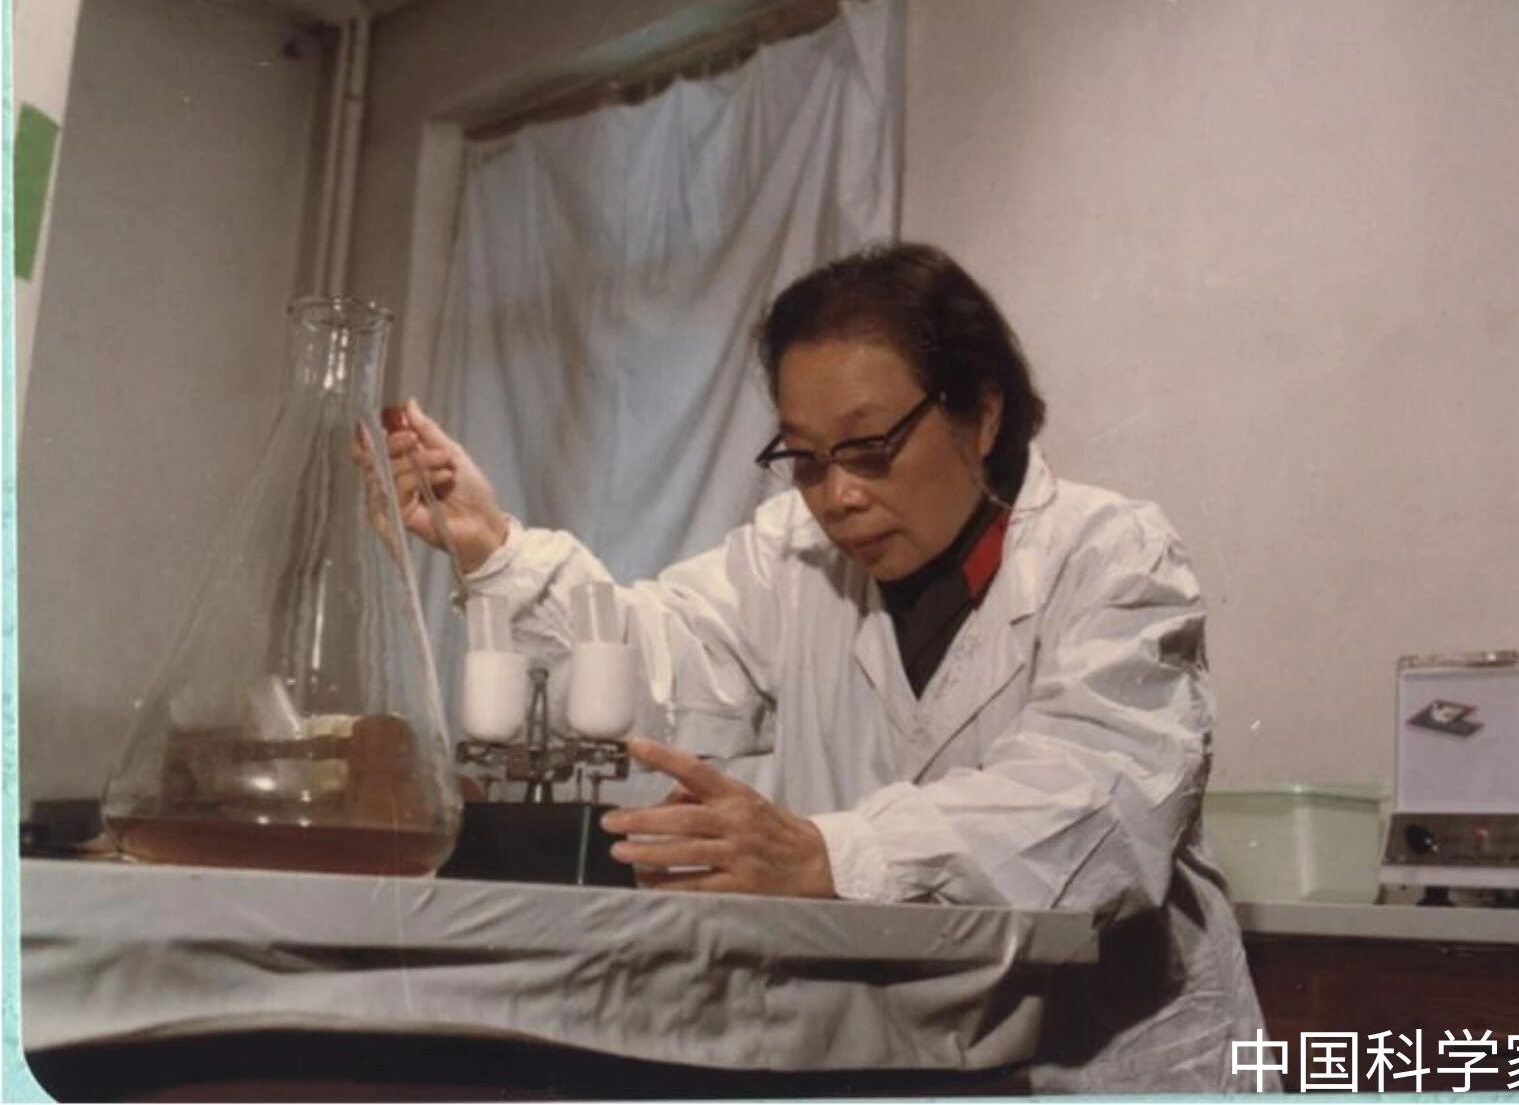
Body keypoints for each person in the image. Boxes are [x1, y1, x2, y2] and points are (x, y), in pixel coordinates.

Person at [382, 241, 1270, 1092]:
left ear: (983, 413)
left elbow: (1094, 809)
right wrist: (491, 546)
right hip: (918, 1068)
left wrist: (830, 854)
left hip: (1113, 1071)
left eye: (871, 446)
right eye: (805, 459)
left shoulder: (1111, 554)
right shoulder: (792, 558)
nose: (838, 495)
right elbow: (650, 659)